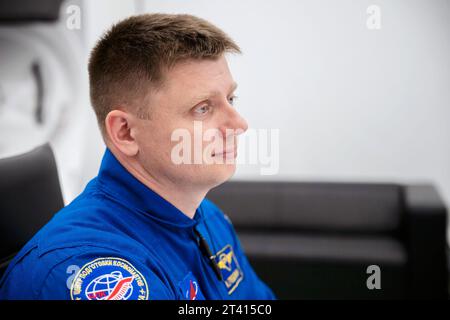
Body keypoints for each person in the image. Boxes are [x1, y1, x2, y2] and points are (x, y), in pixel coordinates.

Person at [0, 13, 276, 300]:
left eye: (230, 100)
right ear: (126, 133)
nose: (239, 124)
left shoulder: (207, 218)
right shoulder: (93, 274)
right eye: (203, 108)